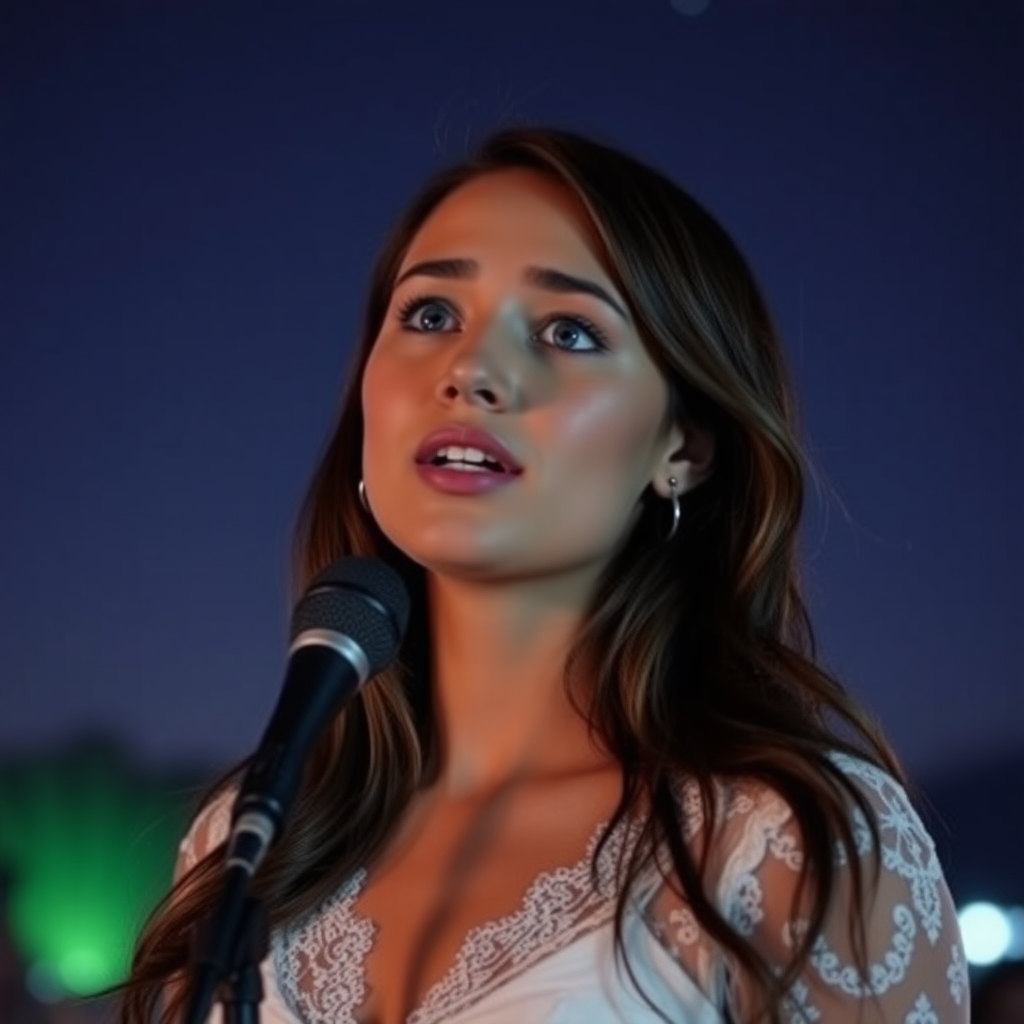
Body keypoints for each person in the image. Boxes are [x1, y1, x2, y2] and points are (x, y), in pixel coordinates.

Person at [117, 126, 968, 1024]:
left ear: (683, 448)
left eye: (568, 330)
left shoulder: (793, 844)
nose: (472, 370)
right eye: (431, 314)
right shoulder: (246, 843)